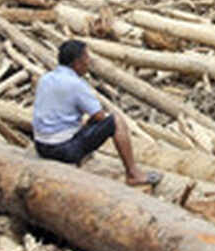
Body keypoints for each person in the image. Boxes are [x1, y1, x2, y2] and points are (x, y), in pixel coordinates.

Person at [32, 39, 159, 185]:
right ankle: (133, 173)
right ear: (77, 62)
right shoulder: (77, 85)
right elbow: (99, 115)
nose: (89, 61)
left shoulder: (45, 78)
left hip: (41, 145)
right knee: (116, 121)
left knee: (87, 123)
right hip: (62, 149)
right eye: (86, 57)